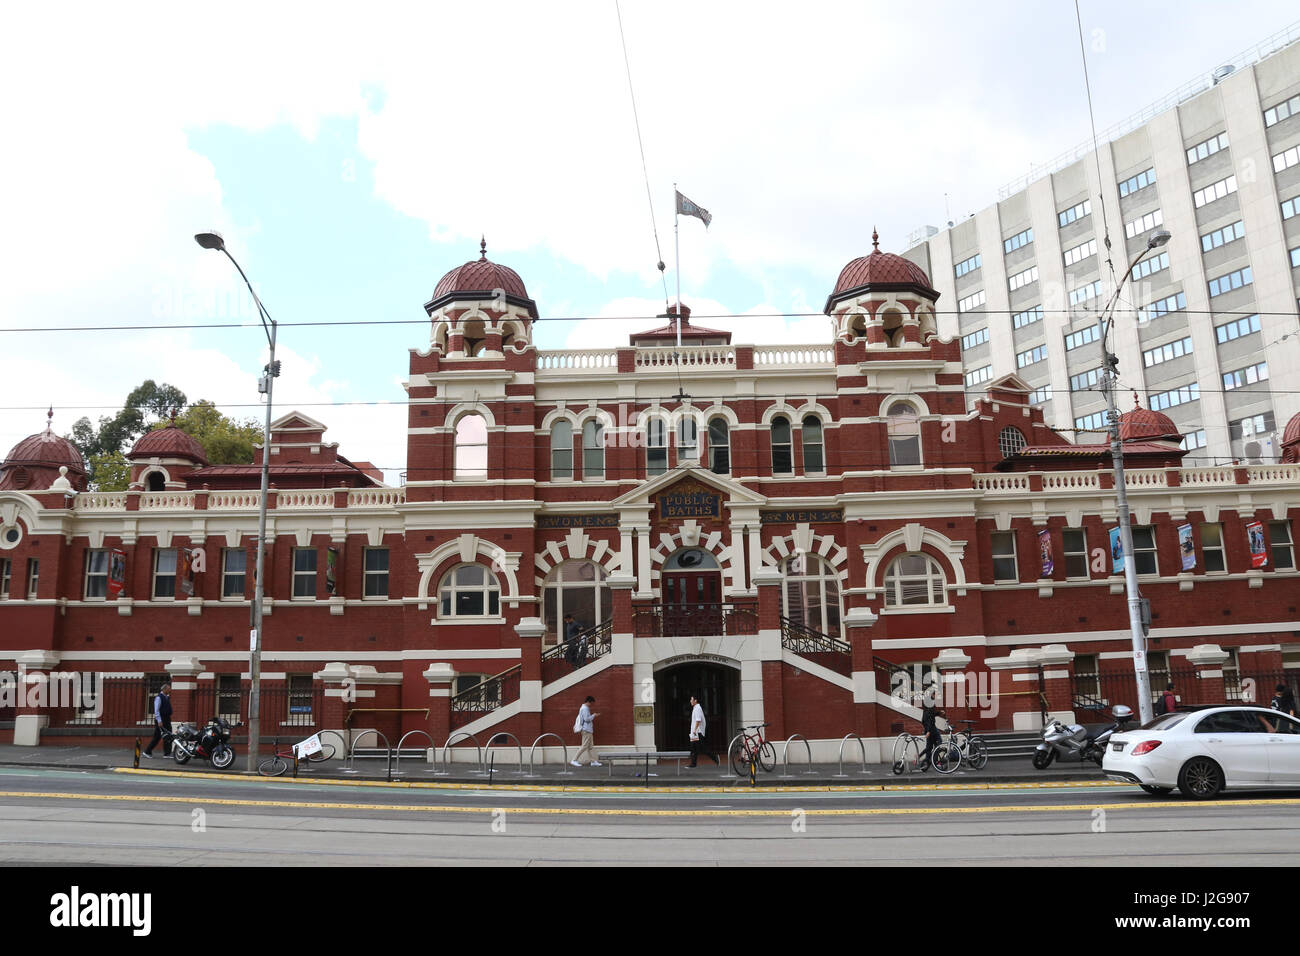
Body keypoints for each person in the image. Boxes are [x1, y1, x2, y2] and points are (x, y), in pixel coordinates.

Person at [686, 694, 718, 768]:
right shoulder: (696, 708)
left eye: (691, 699)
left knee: (703, 748)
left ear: (695, 700)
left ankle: (715, 758)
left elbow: (698, 720)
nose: (690, 701)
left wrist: (694, 730)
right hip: (695, 733)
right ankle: (693, 764)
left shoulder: (697, 708)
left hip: (697, 732)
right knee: (694, 748)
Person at [142, 683, 172, 758]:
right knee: (157, 736)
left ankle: (167, 754)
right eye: (169, 688)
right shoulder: (159, 698)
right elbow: (156, 710)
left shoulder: (166, 697)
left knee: (168, 736)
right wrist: (159, 721)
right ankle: (147, 752)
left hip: (167, 719)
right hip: (161, 719)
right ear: (164, 689)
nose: (170, 690)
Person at [571, 695, 601, 767]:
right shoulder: (585, 709)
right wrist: (594, 715)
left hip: (588, 730)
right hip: (586, 730)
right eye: (591, 703)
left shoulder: (585, 708)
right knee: (584, 746)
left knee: (590, 747)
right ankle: (574, 760)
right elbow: (587, 719)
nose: (591, 705)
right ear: (588, 702)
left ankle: (593, 761)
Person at [920, 695, 945, 769]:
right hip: (932, 730)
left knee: (929, 747)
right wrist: (928, 731)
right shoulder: (929, 710)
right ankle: (935, 762)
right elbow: (929, 721)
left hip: (930, 730)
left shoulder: (926, 710)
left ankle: (927, 762)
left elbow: (928, 718)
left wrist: (939, 713)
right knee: (938, 744)